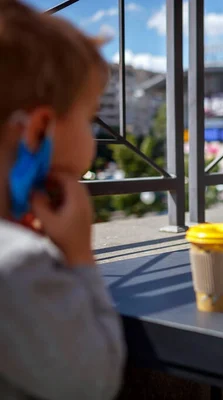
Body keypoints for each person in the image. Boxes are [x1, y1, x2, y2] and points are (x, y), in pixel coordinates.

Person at [0, 1, 125, 399]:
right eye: (89, 118)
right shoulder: (19, 267)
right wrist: (79, 258)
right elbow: (94, 383)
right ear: (38, 131)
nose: (94, 137)